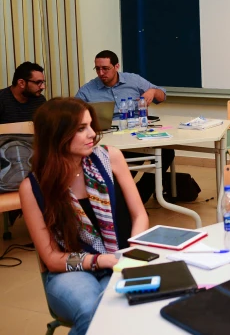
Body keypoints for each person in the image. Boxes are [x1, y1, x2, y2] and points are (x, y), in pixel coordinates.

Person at [18, 98, 148, 335]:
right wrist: (99, 261)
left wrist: (130, 253)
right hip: (69, 271)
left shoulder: (111, 158)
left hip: (121, 259)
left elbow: (139, 215)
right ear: (56, 135)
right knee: (94, 310)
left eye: (90, 125)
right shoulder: (32, 187)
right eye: (81, 129)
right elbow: (51, 258)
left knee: (123, 306)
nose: (92, 134)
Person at [75, 50, 171, 203]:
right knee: (127, 158)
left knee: (166, 151)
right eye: (97, 69)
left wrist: (152, 91)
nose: (101, 73)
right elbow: (74, 114)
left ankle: (139, 196)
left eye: (105, 68)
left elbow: (162, 96)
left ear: (116, 66)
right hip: (109, 137)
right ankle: (121, 197)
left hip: (136, 131)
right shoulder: (88, 90)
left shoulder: (133, 80)